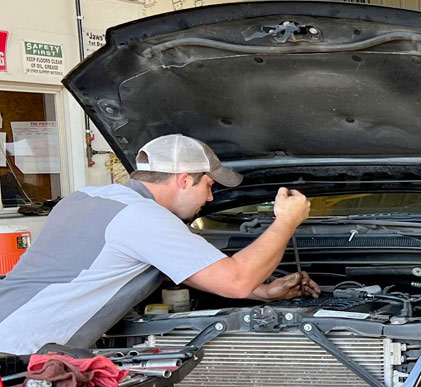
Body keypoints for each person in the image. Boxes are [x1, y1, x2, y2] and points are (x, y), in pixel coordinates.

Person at [0, 134, 319, 355]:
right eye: (208, 185)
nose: (210, 198)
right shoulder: (141, 216)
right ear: (182, 179)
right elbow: (235, 281)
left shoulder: (87, 198)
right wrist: (286, 221)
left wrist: (262, 291)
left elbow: (178, 269)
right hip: (24, 350)